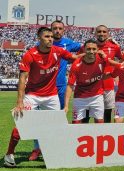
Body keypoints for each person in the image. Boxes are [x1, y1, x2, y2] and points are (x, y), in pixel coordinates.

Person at [3, 27, 79, 167]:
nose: (50, 39)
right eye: (46, 36)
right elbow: (22, 78)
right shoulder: (30, 54)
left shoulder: (58, 51)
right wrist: (19, 101)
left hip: (51, 96)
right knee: (22, 123)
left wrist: (94, 53)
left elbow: (75, 57)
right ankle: (9, 155)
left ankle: (53, 153)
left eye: (51, 36)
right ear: (39, 38)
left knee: (56, 125)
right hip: (32, 95)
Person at [27, 20, 83, 162]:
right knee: (38, 120)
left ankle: (56, 147)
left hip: (61, 87)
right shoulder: (40, 47)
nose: (57, 31)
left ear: (63, 31)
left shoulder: (68, 43)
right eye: (54, 29)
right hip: (41, 89)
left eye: (60, 29)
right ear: (50, 31)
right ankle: (37, 148)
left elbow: (85, 48)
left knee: (59, 120)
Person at [78, 25, 122, 123]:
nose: (101, 33)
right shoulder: (89, 47)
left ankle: (105, 136)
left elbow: (121, 61)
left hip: (108, 85)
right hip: (90, 86)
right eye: (99, 32)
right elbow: (77, 59)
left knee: (107, 114)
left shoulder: (114, 47)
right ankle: (87, 136)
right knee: (87, 115)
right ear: (95, 33)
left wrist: (114, 73)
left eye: (104, 32)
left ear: (108, 33)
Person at [64, 39, 108, 123]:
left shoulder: (102, 60)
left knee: (99, 122)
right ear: (84, 49)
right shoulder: (76, 65)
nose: (91, 51)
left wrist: (106, 57)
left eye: (94, 49)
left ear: (98, 49)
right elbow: (70, 85)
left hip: (97, 96)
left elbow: (113, 70)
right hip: (80, 97)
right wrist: (66, 105)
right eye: (88, 49)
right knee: (76, 123)